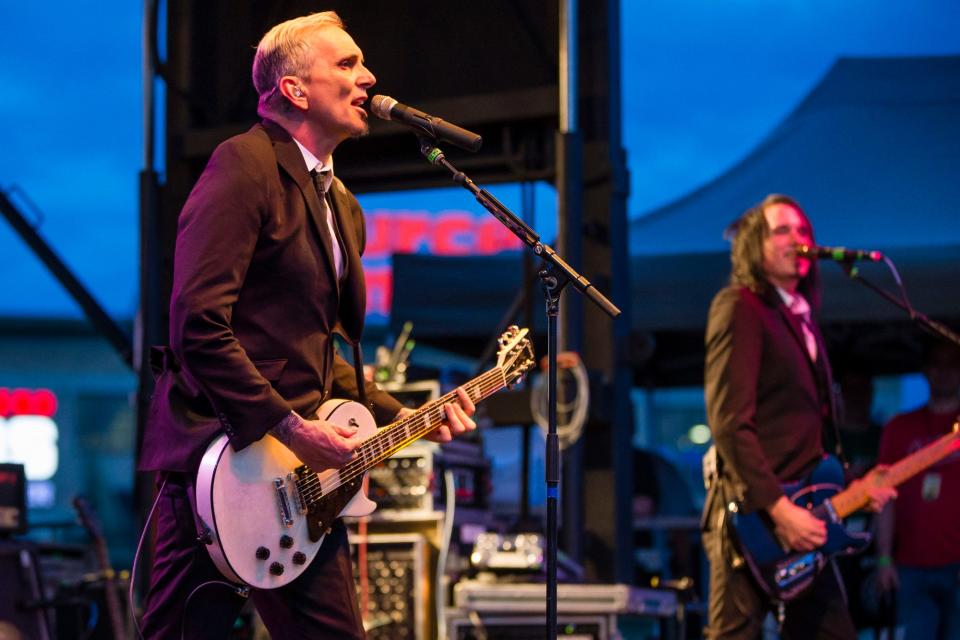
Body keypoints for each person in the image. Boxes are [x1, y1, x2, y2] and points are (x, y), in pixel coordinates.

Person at [137, 12, 476, 639]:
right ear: (294, 89)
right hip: (222, 464)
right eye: (346, 64)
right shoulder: (243, 165)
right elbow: (198, 324)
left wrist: (401, 414)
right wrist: (293, 429)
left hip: (300, 488)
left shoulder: (339, 201)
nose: (368, 77)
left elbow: (314, 349)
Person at [701, 194, 895, 639]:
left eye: (804, 230)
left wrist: (852, 487)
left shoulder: (800, 318)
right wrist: (779, 509)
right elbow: (729, 420)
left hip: (804, 514)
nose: (798, 239)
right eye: (782, 230)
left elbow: (806, 434)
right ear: (755, 245)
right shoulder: (741, 306)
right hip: (756, 514)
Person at [874, 341, 960, 640]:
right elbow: (884, 496)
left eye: (952, 364)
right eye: (937, 364)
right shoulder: (900, 427)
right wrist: (883, 558)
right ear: (925, 370)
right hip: (909, 564)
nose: (944, 372)